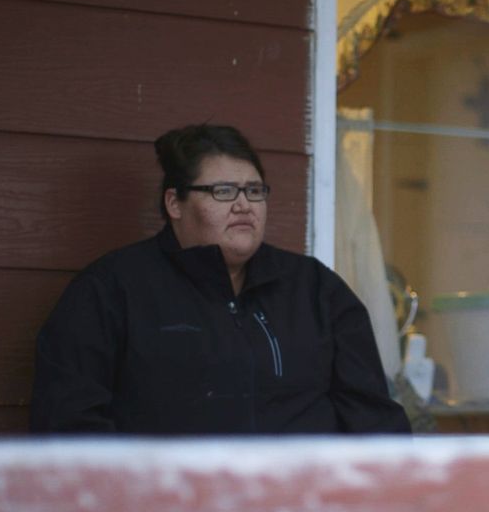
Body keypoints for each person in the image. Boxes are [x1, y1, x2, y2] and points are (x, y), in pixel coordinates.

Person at [30, 124, 411, 434]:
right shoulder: (111, 290)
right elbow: (70, 426)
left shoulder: (315, 290)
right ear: (174, 204)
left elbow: (374, 422)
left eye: (254, 191)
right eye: (223, 191)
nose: (244, 204)